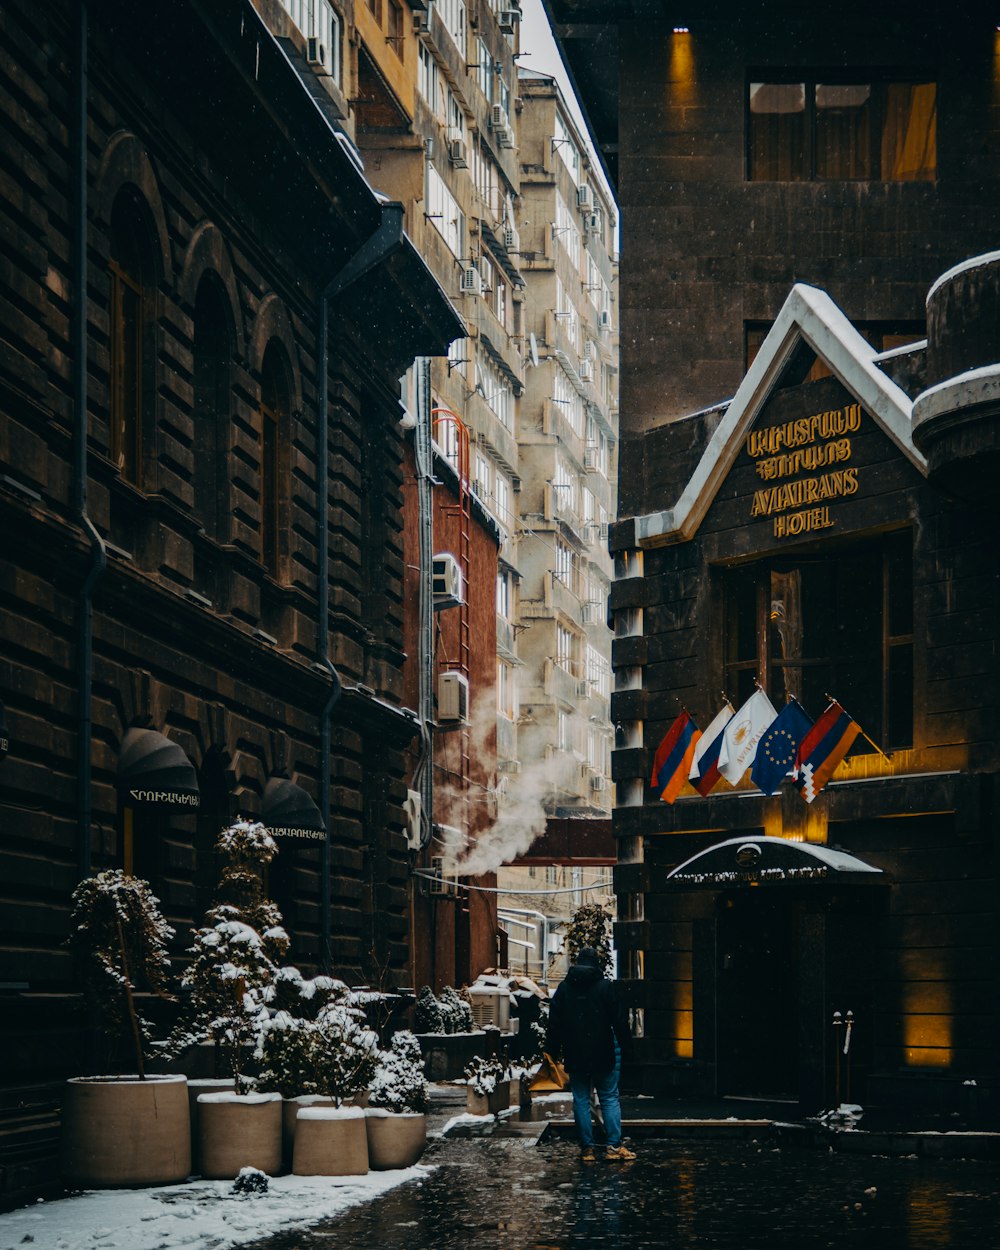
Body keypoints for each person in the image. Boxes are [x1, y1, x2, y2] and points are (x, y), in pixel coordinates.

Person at [546, 946, 635, 1162]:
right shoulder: (605, 987)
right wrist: (628, 1047)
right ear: (597, 964)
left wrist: (551, 1051)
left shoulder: (565, 988)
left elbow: (554, 1024)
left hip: (575, 1053)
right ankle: (613, 1147)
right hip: (602, 1052)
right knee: (609, 1097)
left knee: (581, 1100)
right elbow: (620, 1021)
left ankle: (587, 1149)